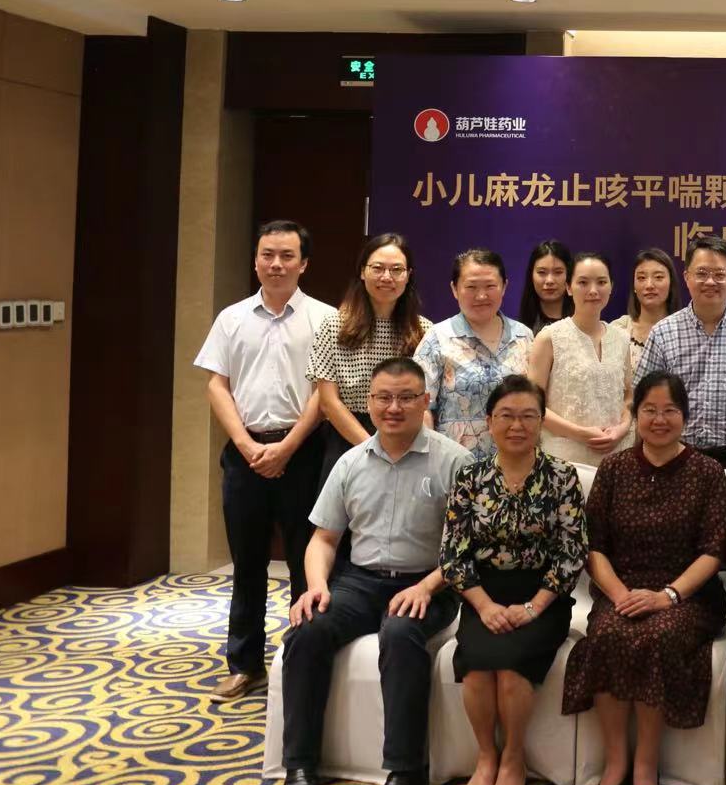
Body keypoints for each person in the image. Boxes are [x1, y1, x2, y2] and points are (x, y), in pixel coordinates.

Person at [277, 357, 471, 785]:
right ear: (369, 402)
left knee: (400, 633)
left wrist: (428, 586)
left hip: (430, 582)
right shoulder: (351, 462)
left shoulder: (455, 462)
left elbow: (468, 546)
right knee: (307, 629)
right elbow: (324, 539)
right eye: (384, 397)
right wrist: (316, 586)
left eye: (406, 398)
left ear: (425, 401)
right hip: (361, 580)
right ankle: (300, 765)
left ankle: (406, 773)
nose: (394, 407)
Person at [562, 370, 726, 785]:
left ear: (685, 416)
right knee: (607, 634)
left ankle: (646, 762)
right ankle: (616, 760)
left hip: (688, 596)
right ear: (635, 415)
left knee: (656, 635)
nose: (659, 420)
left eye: (670, 410)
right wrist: (619, 594)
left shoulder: (707, 472)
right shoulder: (614, 469)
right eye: (649, 410)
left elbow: (713, 551)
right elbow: (594, 546)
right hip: (621, 590)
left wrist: (667, 596)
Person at [194, 219, 337, 699]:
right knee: (248, 562)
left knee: (305, 561)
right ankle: (244, 663)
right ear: (256, 261)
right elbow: (217, 385)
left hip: (304, 452)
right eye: (267, 255)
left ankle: (300, 658)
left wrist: (287, 446)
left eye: (287, 256)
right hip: (245, 455)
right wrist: (247, 445)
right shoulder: (231, 318)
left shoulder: (325, 319)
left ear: (304, 264)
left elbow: (325, 393)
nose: (276, 264)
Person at [440, 376, 587, 785]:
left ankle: (514, 758)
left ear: (541, 422)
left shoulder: (562, 476)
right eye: (506, 415)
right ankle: (486, 757)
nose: (517, 425)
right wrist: (484, 606)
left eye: (528, 416)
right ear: (489, 421)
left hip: (543, 595)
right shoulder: (470, 477)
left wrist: (533, 607)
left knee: (511, 667)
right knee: (477, 666)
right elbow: (453, 553)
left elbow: (572, 552)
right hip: (483, 594)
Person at [309, 233, 432, 482]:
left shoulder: (424, 331)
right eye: (377, 268)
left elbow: (427, 400)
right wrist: (371, 447)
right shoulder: (333, 326)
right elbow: (328, 401)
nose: (386, 277)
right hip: (346, 439)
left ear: (408, 275)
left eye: (396, 270)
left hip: (405, 440)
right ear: (363, 272)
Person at [634, 235, 726, 472]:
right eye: (701, 273)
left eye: (720, 274)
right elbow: (642, 398)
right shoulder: (663, 332)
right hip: (674, 457)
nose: (710, 281)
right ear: (686, 277)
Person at [414, 249, 535, 455]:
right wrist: (430, 458)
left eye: (490, 286)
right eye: (471, 287)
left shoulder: (524, 336)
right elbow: (421, 405)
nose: (481, 296)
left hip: (516, 459)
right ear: (454, 289)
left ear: (504, 287)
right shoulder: (438, 337)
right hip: (456, 461)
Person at [528, 251, 634, 467]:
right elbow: (532, 404)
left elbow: (628, 395)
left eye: (601, 282)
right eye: (583, 282)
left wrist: (622, 428)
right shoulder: (550, 338)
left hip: (615, 456)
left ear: (611, 287)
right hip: (564, 459)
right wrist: (581, 433)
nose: (593, 291)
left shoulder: (621, 338)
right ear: (568, 287)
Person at [612, 247, 679, 376]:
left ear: (671, 284)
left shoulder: (685, 331)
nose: (649, 285)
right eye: (641, 278)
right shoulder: (618, 330)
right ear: (634, 286)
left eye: (658, 277)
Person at [516, 239, 575, 333]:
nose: (549, 281)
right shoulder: (519, 330)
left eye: (558, 272)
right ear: (531, 276)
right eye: (542, 272)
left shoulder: (583, 323)